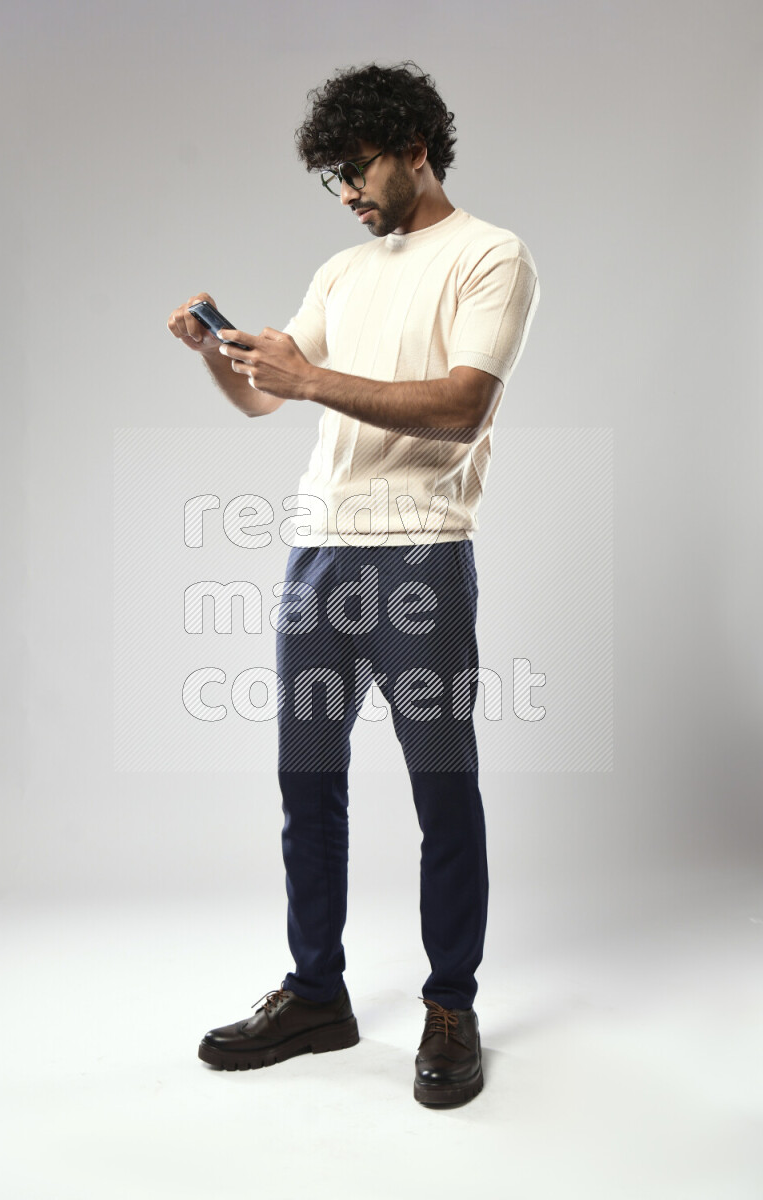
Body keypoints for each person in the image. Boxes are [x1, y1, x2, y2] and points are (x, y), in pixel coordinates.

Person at [167, 60, 540, 1107]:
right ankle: (316, 994)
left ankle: (450, 1005)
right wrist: (218, 352)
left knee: (441, 788)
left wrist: (308, 378)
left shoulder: (491, 256)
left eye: (358, 168)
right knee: (307, 783)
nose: (344, 193)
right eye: (330, 175)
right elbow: (267, 398)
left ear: (415, 149)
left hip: (421, 552)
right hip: (318, 552)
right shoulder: (341, 271)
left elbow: (461, 406)